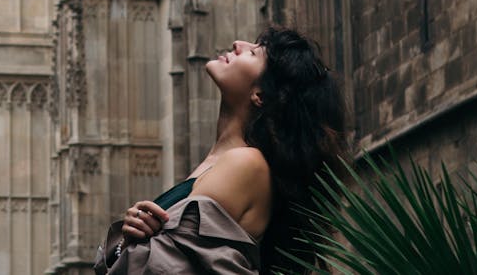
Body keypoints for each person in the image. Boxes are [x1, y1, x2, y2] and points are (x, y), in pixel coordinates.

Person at [94, 26, 347, 274]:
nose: (238, 44)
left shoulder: (245, 164)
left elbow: (160, 266)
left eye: (254, 53)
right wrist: (128, 239)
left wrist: (128, 247)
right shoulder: (219, 163)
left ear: (260, 94)